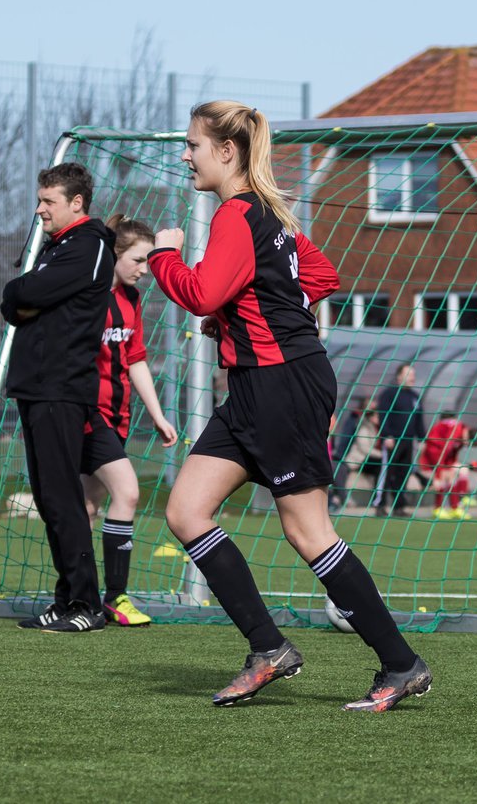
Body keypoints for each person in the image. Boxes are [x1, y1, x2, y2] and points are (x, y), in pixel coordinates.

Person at [150, 100, 431, 712]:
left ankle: (400, 663)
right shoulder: (271, 213)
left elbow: (201, 293)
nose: (186, 155)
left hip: (283, 384)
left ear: (227, 151)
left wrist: (162, 256)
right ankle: (268, 649)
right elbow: (322, 276)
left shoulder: (237, 212)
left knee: (308, 531)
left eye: (194, 145)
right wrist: (248, 309)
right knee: (186, 511)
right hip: (254, 387)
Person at [1, 161, 116, 634]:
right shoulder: (56, 247)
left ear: (76, 203)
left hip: (61, 388)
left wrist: (21, 293)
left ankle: (87, 603)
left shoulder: (88, 245)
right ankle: (67, 597)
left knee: (64, 496)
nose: (40, 209)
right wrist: (21, 295)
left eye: (48, 201)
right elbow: (16, 304)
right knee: (50, 498)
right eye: (40, 199)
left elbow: (25, 291)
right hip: (36, 386)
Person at [78, 213, 179, 628]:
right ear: (114, 256)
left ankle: (76, 595)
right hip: (88, 416)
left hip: (118, 418)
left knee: (88, 506)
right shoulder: (89, 295)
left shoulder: (132, 301)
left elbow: (135, 359)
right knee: (129, 492)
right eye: (139, 260)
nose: (145, 269)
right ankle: (114, 597)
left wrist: (158, 416)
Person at [371, 363, 426, 517]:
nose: (412, 377)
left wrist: (422, 439)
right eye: (409, 374)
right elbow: (383, 415)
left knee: (404, 473)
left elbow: (419, 420)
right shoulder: (389, 394)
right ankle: (379, 504)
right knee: (387, 472)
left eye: (413, 374)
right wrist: (387, 435)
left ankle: (399, 506)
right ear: (399, 376)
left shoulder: (415, 397)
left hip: (409, 441)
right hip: (393, 439)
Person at [329, 395, 380, 511]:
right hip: (352, 458)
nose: (374, 407)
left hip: (355, 457)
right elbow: (349, 441)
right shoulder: (358, 422)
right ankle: (339, 500)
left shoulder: (372, 426)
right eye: (371, 405)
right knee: (338, 470)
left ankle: (339, 499)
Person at [418, 414, 471, 520]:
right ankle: (438, 509)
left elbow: (453, 451)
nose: (467, 444)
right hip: (434, 450)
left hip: (441, 453)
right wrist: (438, 473)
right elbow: (445, 449)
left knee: (456, 473)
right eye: (468, 441)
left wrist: (452, 464)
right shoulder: (456, 430)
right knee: (443, 477)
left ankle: (455, 507)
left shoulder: (461, 431)